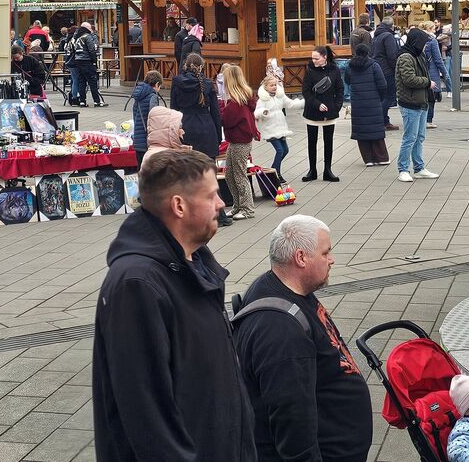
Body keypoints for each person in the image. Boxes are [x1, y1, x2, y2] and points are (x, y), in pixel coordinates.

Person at [92, 149, 256, 462]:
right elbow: (146, 411)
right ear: (179, 206)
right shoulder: (137, 284)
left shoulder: (193, 259)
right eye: (212, 195)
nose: (221, 204)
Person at [232, 215, 373, 462]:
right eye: (325, 253)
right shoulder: (281, 332)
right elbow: (292, 422)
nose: (332, 260)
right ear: (301, 258)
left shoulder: (281, 286)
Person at [396, 28, 438, 183]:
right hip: (410, 102)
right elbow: (409, 79)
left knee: (419, 137)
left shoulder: (418, 55)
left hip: (421, 101)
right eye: (424, 43)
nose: (426, 46)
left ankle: (419, 168)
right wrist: (428, 83)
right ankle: (403, 169)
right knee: (410, 137)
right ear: (417, 42)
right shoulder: (406, 57)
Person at [219, 65, 259, 221]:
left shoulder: (236, 102)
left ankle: (248, 208)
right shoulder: (241, 98)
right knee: (229, 174)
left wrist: (220, 108)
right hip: (237, 140)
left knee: (239, 174)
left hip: (240, 141)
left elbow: (226, 120)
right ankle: (237, 206)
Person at [301, 46, 344, 183]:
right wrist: (317, 104)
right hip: (313, 111)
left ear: (324, 57)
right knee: (311, 142)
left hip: (330, 110)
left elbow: (340, 89)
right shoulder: (309, 70)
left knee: (328, 141)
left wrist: (336, 106)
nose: (313, 60)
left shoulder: (334, 69)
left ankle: (328, 170)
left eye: (316, 58)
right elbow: (306, 92)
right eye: (312, 58)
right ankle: (312, 170)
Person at [171, 53, 222, 161]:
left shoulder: (177, 82)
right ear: (201, 67)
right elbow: (215, 112)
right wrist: (218, 137)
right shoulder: (208, 84)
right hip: (207, 129)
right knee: (207, 171)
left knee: (186, 171)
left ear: (185, 65)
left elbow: (173, 110)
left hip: (185, 127)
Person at [346, 44, 389, 166]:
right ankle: (381, 158)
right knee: (375, 130)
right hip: (373, 102)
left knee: (361, 131)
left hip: (357, 102)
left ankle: (368, 159)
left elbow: (347, 80)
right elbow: (382, 84)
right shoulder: (374, 65)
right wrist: (380, 98)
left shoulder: (350, 66)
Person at [256, 75, 304, 180]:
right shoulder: (263, 99)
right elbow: (257, 112)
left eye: (275, 85)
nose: (274, 87)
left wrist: (303, 102)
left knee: (285, 150)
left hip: (281, 128)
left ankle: (273, 169)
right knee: (280, 150)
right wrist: (263, 112)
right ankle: (277, 173)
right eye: (271, 85)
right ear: (265, 87)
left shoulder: (280, 96)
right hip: (270, 129)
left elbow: (290, 104)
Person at [371, 17, 401, 130]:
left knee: (382, 97)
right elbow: (392, 55)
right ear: (392, 26)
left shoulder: (376, 36)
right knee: (389, 97)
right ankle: (380, 121)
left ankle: (384, 121)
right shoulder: (388, 36)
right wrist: (396, 69)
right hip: (387, 70)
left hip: (378, 69)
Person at [68, 22, 106, 107]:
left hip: (78, 61)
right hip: (87, 61)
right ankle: (97, 101)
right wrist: (94, 61)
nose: (91, 30)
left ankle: (82, 101)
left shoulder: (78, 37)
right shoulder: (87, 37)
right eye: (90, 29)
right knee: (92, 81)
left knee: (82, 82)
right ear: (87, 29)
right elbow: (91, 50)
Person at [421, 21, 450, 126]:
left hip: (420, 70)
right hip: (431, 71)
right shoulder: (432, 41)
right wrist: (445, 73)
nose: (435, 30)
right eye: (433, 29)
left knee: (422, 96)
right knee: (431, 98)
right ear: (429, 29)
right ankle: (428, 120)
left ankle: (421, 119)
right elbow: (438, 59)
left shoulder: (419, 39)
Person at [131, 70, 163, 163]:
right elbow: (154, 118)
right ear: (157, 84)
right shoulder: (153, 96)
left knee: (141, 171)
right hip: (147, 141)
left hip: (138, 140)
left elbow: (135, 114)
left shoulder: (138, 95)